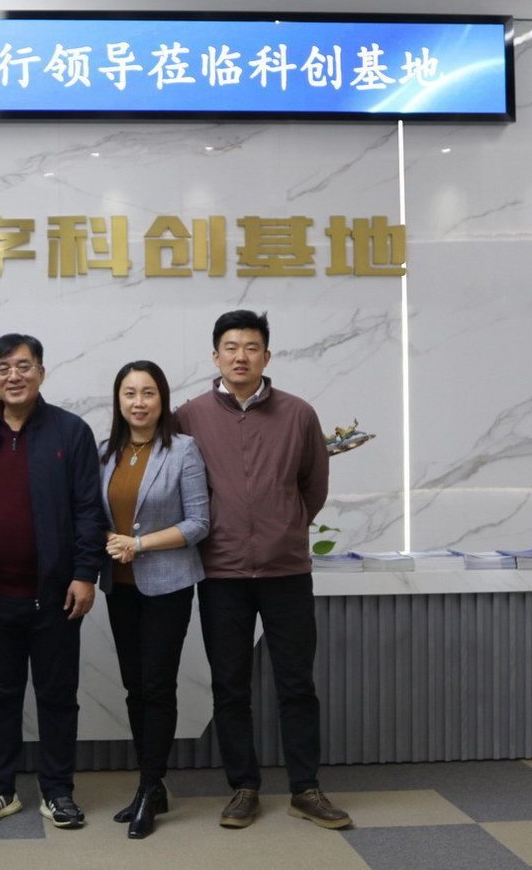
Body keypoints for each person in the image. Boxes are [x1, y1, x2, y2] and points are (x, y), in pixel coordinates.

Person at [175, 310, 352, 831]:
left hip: (286, 571)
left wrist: (287, 525)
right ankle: (243, 787)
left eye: (251, 347)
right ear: (215, 356)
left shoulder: (298, 413)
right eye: (230, 347)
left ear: (267, 356)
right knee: (229, 685)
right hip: (221, 572)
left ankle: (305, 789)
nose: (241, 356)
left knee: (296, 684)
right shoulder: (189, 416)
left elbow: (313, 485)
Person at [0, 333, 104, 830]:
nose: (14, 376)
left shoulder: (71, 431)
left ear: (41, 372)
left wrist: (85, 574)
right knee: (0, 695)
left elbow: (89, 510)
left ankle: (58, 791)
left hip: (56, 597)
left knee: (57, 696)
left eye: (23, 366)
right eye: (3, 368)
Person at [99, 360, 209, 839]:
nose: (138, 402)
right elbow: (94, 516)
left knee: (158, 685)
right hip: (119, 586)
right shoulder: (105, 452)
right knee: (134, 687)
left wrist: (138, 544)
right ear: (118, 401)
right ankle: (152, 783)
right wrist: (107, 538)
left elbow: (198, 523)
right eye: (129, 393)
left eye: (148, 393)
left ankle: (149, 786)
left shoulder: (183, 449)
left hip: (168, 584)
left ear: (162, 399)